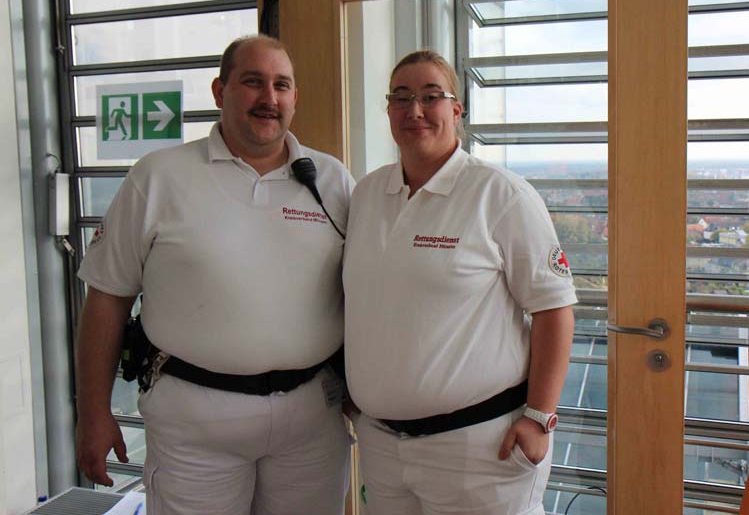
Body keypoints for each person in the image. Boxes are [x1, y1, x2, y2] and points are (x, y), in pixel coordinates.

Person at [75, 34, 353, 515]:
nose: (269, 98)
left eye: (281, 85)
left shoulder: (331, 180)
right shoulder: (158, 177)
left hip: (311, 420)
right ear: (220, 91)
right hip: (194, 424)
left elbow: (364, 292)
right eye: (253, 82)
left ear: (294, 97)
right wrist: (93, 412)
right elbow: (106, 299)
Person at [342, 50, 577, 514]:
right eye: (401, 98)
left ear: (457, 110)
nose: (414, 110)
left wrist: (539, 417)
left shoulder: (501, 194)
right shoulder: (367, 194)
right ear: (388, 110)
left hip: (480, 447)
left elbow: (554, 309)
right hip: (382, 445)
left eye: (431, 97)